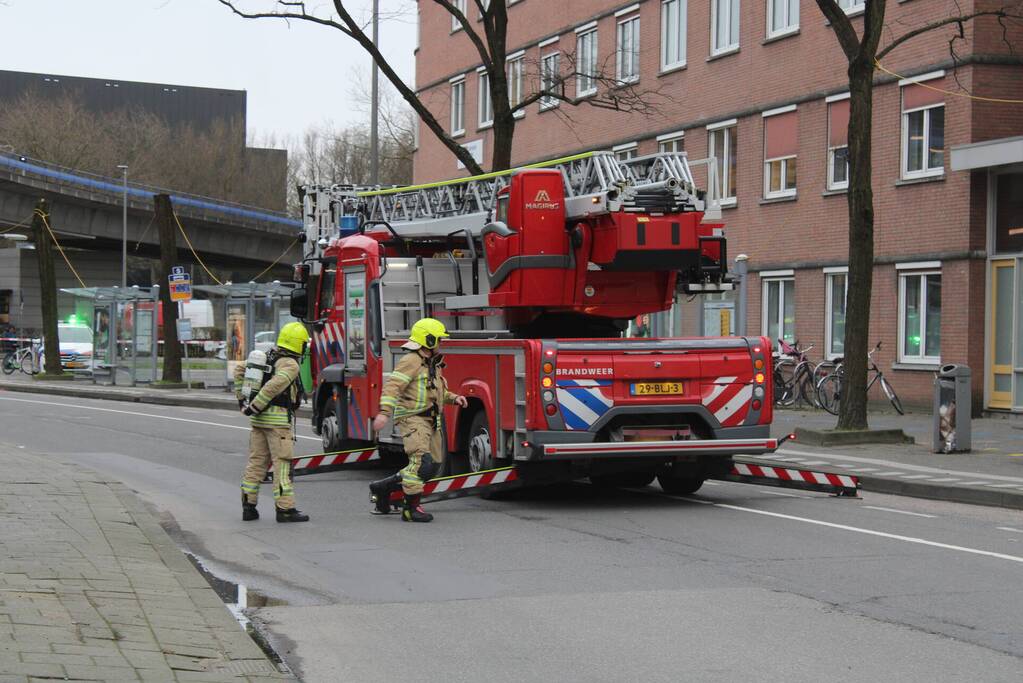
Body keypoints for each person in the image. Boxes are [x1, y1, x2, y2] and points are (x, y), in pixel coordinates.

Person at [369, 318, 467, 522]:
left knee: (434, 466)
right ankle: (410, 509)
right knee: (421, 462)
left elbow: (435, 391)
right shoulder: (411, 360)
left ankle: (384, 487)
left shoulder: (433, 363)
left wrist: (453, 398)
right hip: (413, 418)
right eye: (438, 339)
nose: (441, 343)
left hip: (431, 420)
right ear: (428, 340)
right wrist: (384, 413)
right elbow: (393, 386)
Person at [235, 321, 311, 523]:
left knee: (256, 463)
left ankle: (248, 507)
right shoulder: (290, 364)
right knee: (282, 465)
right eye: (304, 344)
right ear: (298, 343)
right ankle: (285, 509)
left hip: (258, 422)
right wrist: (256, 405)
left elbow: (239, 370)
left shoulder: (267, 356)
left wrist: (242, 400)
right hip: (277, 424)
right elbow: (273, 386)